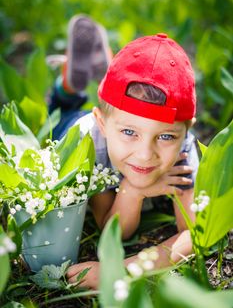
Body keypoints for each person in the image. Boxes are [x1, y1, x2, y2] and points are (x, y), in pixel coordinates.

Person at [49, 16, 199, 289]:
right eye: (131, 133)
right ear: (103, 124)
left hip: (117, 117)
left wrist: (121, 270)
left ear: (186, 132)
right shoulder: (89, 142)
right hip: (73, 127)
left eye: (165, 136)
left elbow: (195, 234)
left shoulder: (184, 151)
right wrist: (132, 192)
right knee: (62, 108)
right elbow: (110, 230)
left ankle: (111, 72)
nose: (144, 155)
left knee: (120, 109)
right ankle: (70, 83)